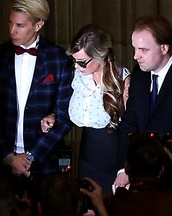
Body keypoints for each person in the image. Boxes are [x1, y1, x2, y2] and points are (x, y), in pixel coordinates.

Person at [0, 0, 73, 184]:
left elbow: (64, 118)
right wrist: (9, 156)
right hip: (3, 161)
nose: (12, 31)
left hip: (45, 162)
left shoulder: (59, 60)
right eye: (10, 23)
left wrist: (31, 157)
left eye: (20, 25)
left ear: (38, 25)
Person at [115, 15, 172, 187]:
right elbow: (129, 123)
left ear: (164, 48)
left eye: (143, 50)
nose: (136, 56)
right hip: (140, 178)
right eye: (135, 49)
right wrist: (123, 170)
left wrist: (148, 173)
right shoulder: (140, 75)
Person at [49, 23, 128, 192]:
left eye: (82, 62)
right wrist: (53, 116)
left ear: (101, 56)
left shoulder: (123, 80)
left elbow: (131, 128)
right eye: (75, 61)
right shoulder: (78, 76)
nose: (77, 66)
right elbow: (63, 103)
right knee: (88, 204)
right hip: (87, 155)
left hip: (113, 158)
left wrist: (124, 170)